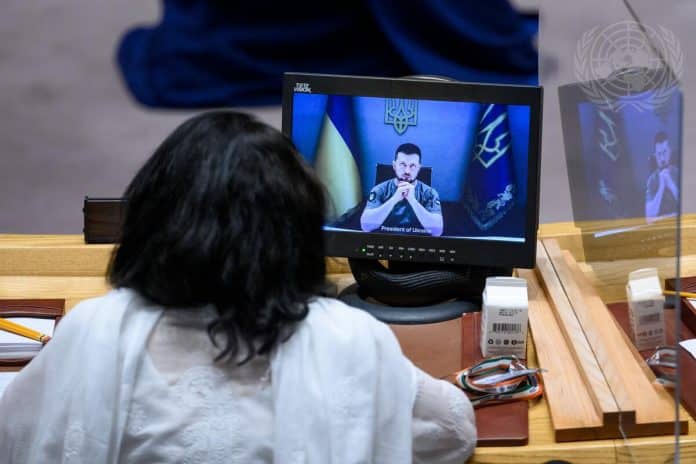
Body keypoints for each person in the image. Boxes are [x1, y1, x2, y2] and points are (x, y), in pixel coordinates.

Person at [0, 111, 475, 463]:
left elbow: (14, 430)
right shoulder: (348, 339)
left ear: (150, 218)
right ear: (297, 231)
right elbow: (454, 429)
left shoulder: (93, 329)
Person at [360, 143, 444, 236]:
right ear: (394, 165)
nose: (407, 171)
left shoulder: (430, 193)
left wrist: (412, 200)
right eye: (402, 165)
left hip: (417, 243)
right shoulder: (379, 189)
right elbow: (365, 226)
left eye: (413, 166)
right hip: (385, 241)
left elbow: (437, 231)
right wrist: (394, 199)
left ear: (419, 168)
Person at [645, 131, 679, 223]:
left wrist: (671, 184)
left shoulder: (678, 173)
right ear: (655, 156)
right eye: (659, 154)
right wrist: (661, 186)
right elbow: (649, 218)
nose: (662, 158)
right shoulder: (652, 180)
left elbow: (689, 207)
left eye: (664, 152)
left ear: (670, 151)